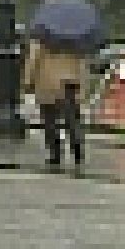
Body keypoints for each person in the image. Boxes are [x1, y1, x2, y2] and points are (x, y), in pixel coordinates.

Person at [23, 38, 89, 169]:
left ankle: (55, 153)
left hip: (47, 82)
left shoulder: (40, 39)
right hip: (69, 81)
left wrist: (27, 81)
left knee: (49, 120)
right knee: (72, 119)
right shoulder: (76, 38)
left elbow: (33, 59)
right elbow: (82, 63)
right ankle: (77, 150)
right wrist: (82, 86)